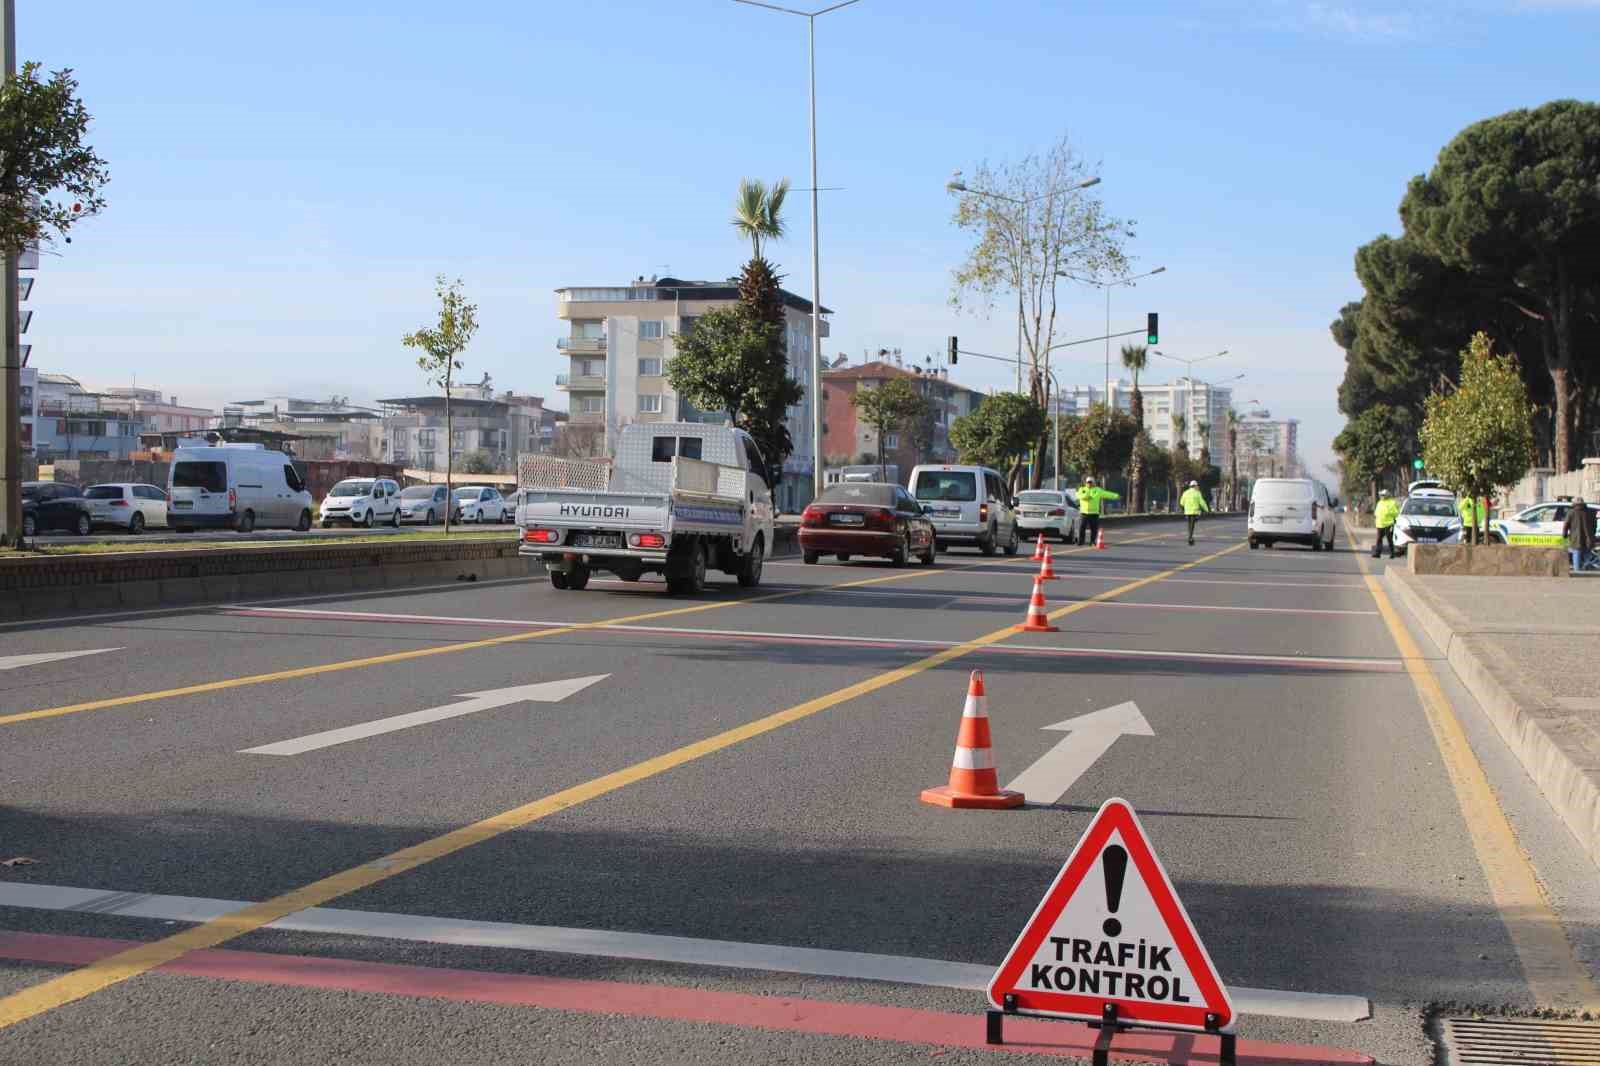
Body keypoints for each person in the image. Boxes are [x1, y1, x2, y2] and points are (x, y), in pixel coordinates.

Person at [1078, 476, 1120, 547]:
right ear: (1085, 483)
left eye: (1091, 482)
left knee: (1094, 529)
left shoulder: (1097, 490)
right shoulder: (1082, 489)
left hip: (1094, 513)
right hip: (1084, 513)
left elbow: (1106, 494)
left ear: (1093, 482)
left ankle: (1092, 541)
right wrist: (1086, 496)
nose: (1089, 483)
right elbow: (1079, 496)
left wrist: (1116, 496)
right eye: (1088, 482)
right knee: (1082, 528)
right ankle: (1081, 541)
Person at [1563, 496, 1594, 572]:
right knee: (1587, 555)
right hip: (1588, 539)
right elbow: (1594, 525)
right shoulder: (1590, 512)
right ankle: (1589, 572)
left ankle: (1577, 572)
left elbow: (1566, 525)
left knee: (1576, 554)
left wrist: (1565, 535)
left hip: (1576, 539)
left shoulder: (1571, 512)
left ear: (1574, 504)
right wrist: (1591, 534)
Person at [1180, 479, 1210, 545]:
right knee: (1192, 525)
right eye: (1197, 486)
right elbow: (1202, 502)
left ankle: (1190, 536)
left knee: (1189, 525)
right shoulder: (1197, 493)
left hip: (1187, 512)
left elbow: (1181, 502)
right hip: (1195, 512)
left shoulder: (1185, 493)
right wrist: (1207, 510)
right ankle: (1190, 537)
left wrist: (1184, 508)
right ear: (1195, 486)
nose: (1198, 487)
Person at [1373, 489, 1400, 559]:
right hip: (1380, 524)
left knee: (1389, 539)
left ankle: (1392, 553)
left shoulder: (1392, 502)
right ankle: (1377, 553)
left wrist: (1388, 513)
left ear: (1387, 495)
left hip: (1389, 524)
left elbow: (1396, 513)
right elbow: (1376, 512)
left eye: (1383, 495)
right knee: (1379, 539)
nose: (1382, 496)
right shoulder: (1379, 502)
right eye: (1381, 495)